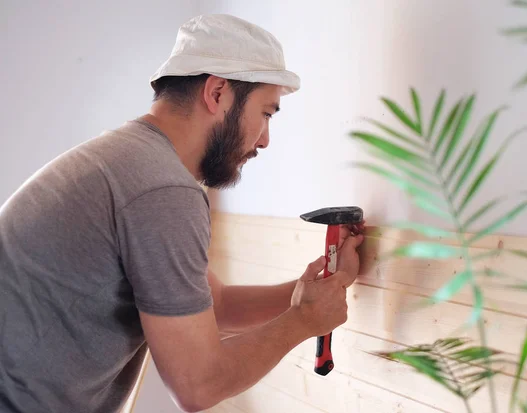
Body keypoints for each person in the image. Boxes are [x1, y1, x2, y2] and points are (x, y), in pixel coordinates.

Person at [0, 13, 365, 413]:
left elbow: (216, 305)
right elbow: (198, 386)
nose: (265, 140)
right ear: (218, 92)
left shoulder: (133, 162)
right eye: (265, 113)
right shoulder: (160, 188)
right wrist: (301, 322)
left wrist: (312, 293)